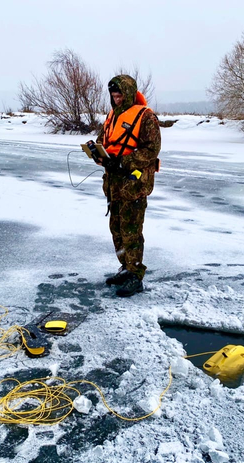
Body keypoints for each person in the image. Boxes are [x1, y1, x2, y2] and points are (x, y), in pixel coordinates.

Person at [94, 74, 161, 297]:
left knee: (132, 230)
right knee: (117, 230)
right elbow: (102, 139)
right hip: (114, 184)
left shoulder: (146, 117)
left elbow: (151, 150)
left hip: (133, 183)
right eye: (113, 95)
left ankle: (136, 275)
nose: (117, 98)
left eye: (120, 94)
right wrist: (99, 154)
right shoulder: (112, 115)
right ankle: (125, 267)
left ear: (129, 93)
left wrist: (123, 161)